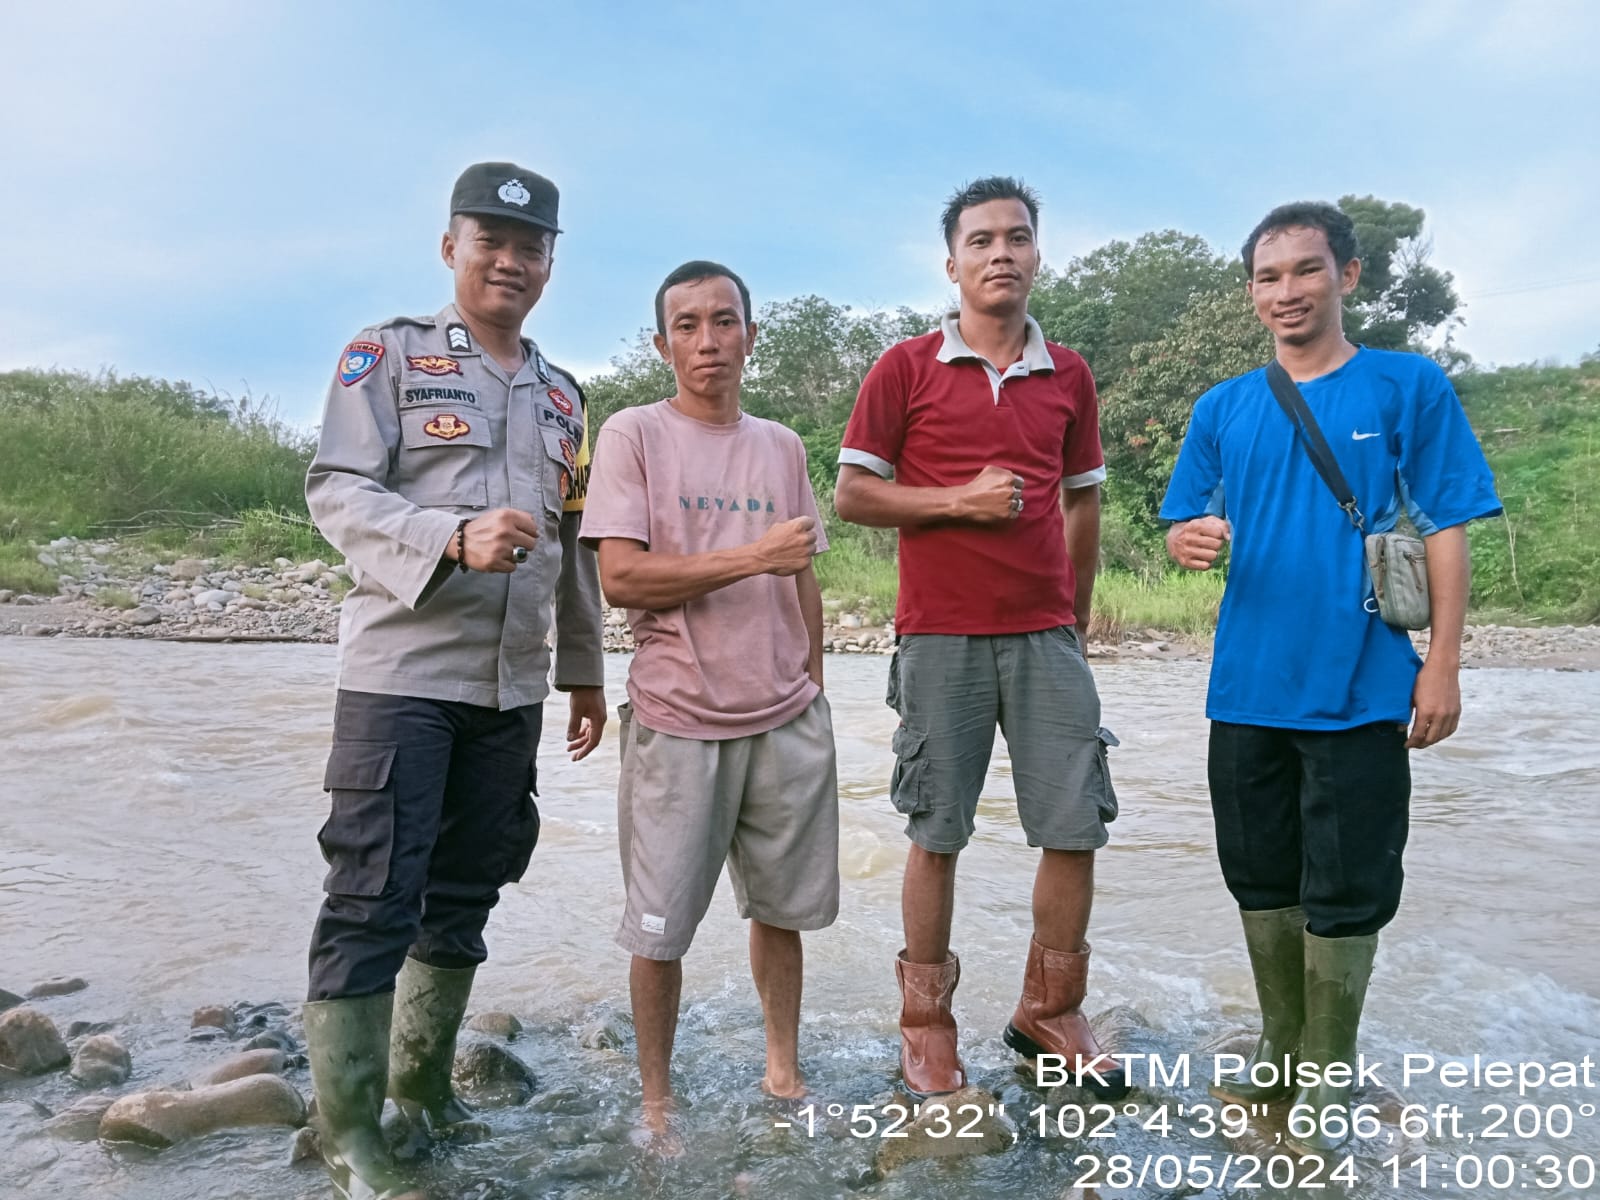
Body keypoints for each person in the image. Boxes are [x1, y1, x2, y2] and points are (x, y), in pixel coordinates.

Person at [1160, 201, 1501, 1154]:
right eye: (1268, 278)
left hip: (1363, 685)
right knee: (1258, 872)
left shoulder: (1406, 386)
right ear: (1251, 293)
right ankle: (1279, 1044)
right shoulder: (1222, 408)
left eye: (1305, 271)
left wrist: (1443, 663)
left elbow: (1446, 523)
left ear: (1348, 277)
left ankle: (1332, 1068)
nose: (1286, 293)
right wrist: (1190, 539)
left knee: (1350, 882)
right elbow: (1186, 519)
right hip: (1246, 687)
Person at [301, 162, 607, 1198]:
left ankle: (422, 1093)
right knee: (372, 894)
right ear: (451, 249)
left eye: (531, 249)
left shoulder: (564, 396)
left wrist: (582, 675)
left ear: (550, 264)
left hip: (509, 690)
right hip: (401, 674)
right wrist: (449, 535)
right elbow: (337, 492)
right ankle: (346, 1133)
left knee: (468, 886)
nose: (511, 262)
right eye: (490, 242)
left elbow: (570, 549)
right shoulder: (385, 356)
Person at [835, 178, 1127, 1101]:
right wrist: (956, 500)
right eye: (981, 240)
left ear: (1038, 253)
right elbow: (852, 496)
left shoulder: (1069, 374)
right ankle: (926, 1026)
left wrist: (1073, 616)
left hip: (1047, 638)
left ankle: (1050, 1011)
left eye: (1018, 237)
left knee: (1075, 825)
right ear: (951, 261)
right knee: (937, 832)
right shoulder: (906, 368)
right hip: (940, 637)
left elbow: (1084, 498)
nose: (1000, 253)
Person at [579, 260, 839, 1136]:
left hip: (784, 716)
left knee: (781, 911)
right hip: (678, 718)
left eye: (724, 322)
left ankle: (782, 1071)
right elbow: (622, 579)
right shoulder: (633, 435)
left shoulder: (782, 445)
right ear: (661, 345)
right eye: (687, 326)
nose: (708, 341)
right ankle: (657, 1099)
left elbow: (802, 571)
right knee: (659, 929)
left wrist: (814, 685)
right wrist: (750, 558)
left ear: (751, 336)